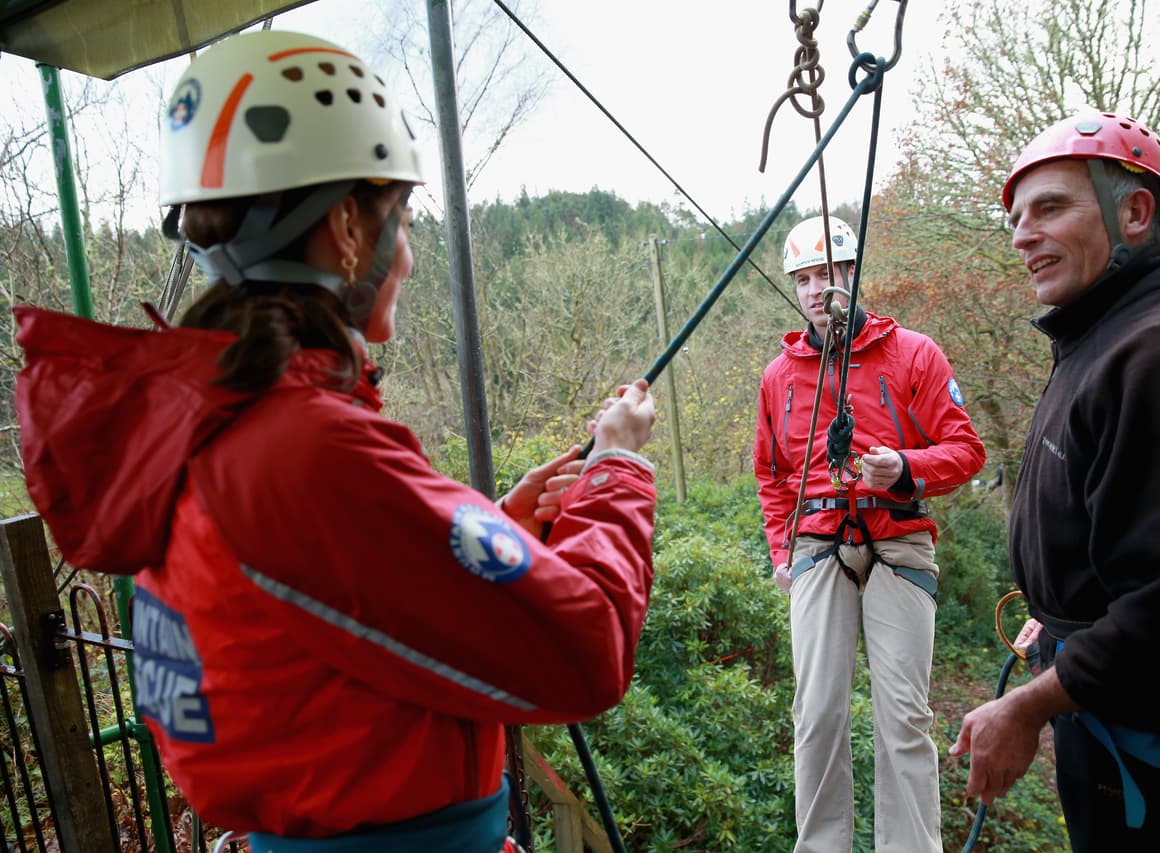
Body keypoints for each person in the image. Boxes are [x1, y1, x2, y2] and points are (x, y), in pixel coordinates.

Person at [14, 30, 659, 853]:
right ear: (349, 225)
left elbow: (331, 611)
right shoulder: (300, 447)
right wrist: (618, 470)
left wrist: (504, 527)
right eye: (404, 216)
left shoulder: (214, 419)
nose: (410, 254)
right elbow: (586, 651)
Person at [949, 110, 1160, 850]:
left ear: (1133, 212)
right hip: (1121, 719)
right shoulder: (1108, 339)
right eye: (1015, 217)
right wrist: (1058, 617)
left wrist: (1029, 706)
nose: (1021, 234)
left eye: (1050, 207)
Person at [754, 215, 986, 852]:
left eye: (825, 274)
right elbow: (771, 474)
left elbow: (967, 450)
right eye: (802, 278)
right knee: (818, 713)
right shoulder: (780, 376)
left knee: (904, 718)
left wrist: (906, 467)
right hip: (816, 543)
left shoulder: (914, 354)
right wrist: (782, 551)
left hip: (899, 540)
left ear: (852, 277)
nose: (813, 290)